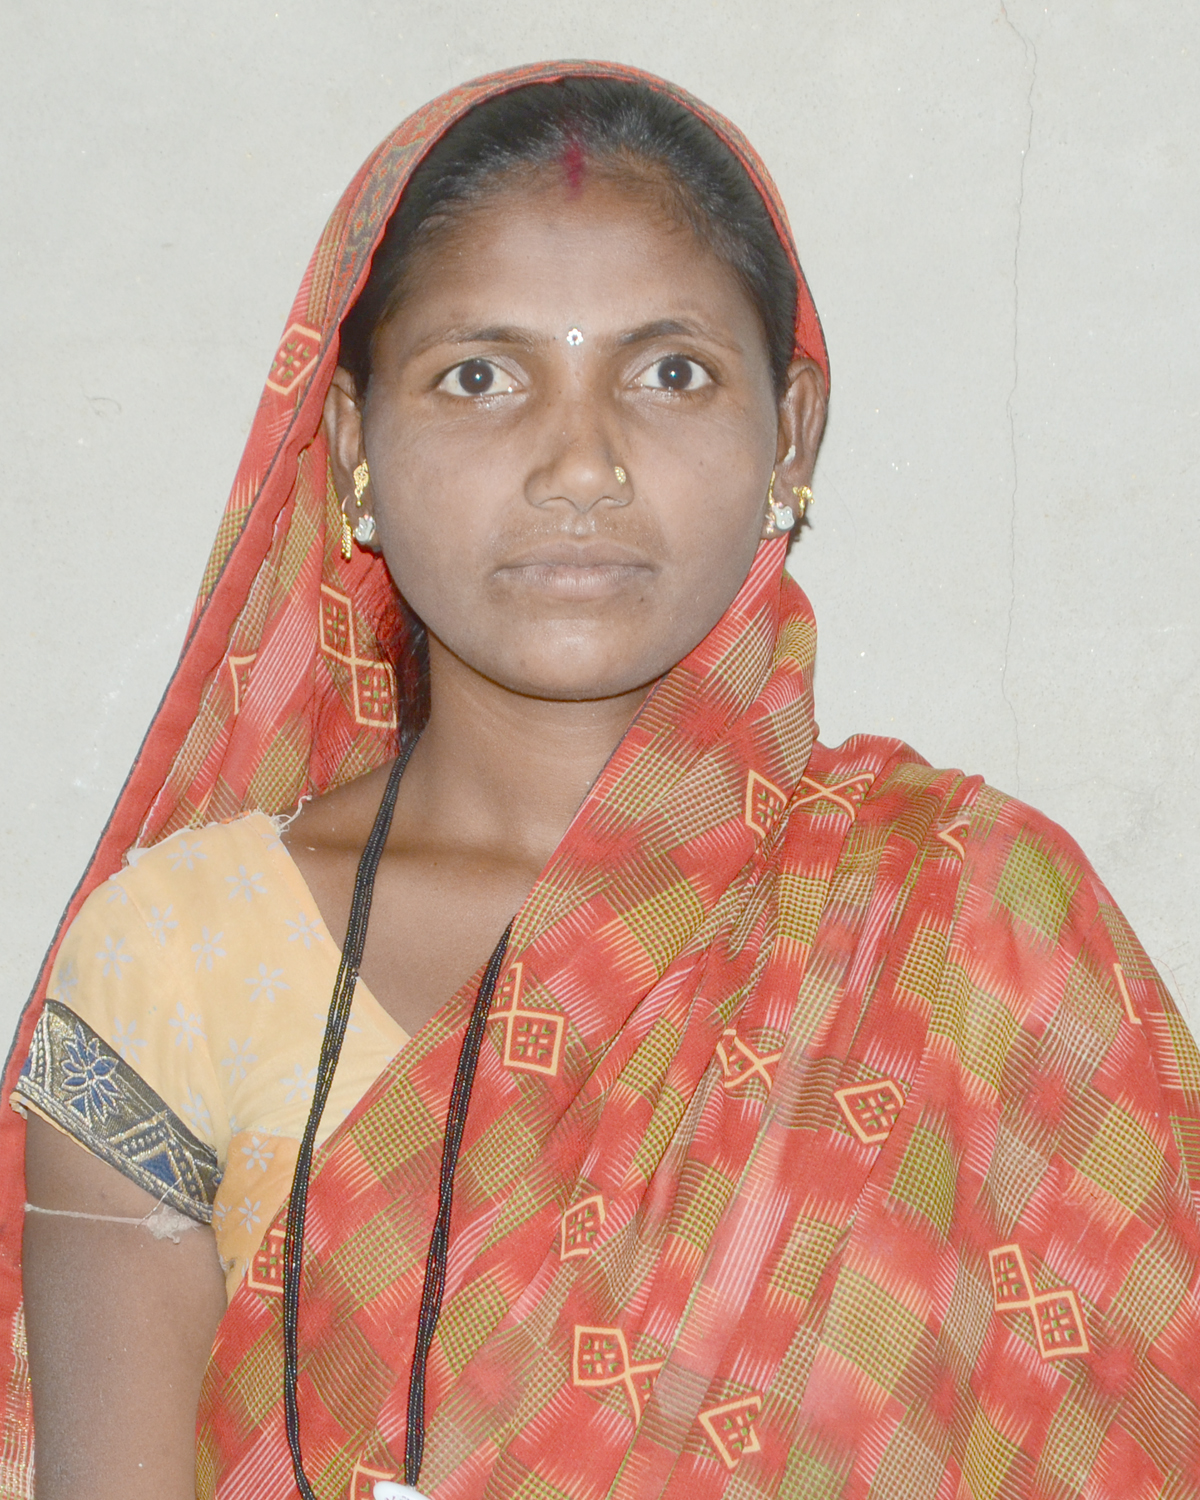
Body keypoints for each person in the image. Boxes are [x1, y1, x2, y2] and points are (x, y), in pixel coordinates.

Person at [2, 58, 1197, 1500]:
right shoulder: (177, 961)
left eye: (668, 372)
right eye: (481, 376)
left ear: (792, 431)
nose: (580, 464)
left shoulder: (972, 921)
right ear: (354, 443)